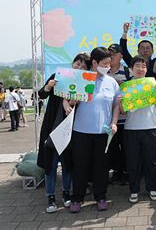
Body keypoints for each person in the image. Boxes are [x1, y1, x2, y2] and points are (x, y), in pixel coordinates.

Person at [67, 47, 121, 213]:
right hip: (81, 131)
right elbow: (69, 102)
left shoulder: (111, 82)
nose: (107, 66)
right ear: (95, 63)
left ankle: (101, 196)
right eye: (104, 63)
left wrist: (114, 122)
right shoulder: (82, 79)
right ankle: (77, 198)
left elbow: (116, 105)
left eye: (109, 63)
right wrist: (72, 101)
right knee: (81, 166)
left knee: (101, 166)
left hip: (103, 132)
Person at [37, 53, 90, 213]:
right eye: (77, 63)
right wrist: (48, 86)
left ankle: (66, 194)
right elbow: (42, 94)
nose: (79, 67)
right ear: (72, 63)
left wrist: (74, 103)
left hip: (70, 129)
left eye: (83, 66)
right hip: (52, 128)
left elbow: (81, 106)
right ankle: (51, 197)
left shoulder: (85, 83)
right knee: (50, 165)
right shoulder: (57, 76)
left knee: (68, 165)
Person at [122, 55, 156, 203]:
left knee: (151, 161)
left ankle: (152, 188)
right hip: (131, 128)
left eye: (143, 66)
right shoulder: (126, 86)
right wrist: (122, 100)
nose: (141, 69)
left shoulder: (152, 83)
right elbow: (122, 111)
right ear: (131, 69)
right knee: (133, 161)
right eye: (137, 66)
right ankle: (134, 190)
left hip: (151, 127)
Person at [106, 43, 130, 185]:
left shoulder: (128, 72)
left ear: (121, 55)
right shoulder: (103, 72)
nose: (111, 56)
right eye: (109, 54)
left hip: (127, 118)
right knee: (113, 147)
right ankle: (116, 171)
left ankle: (126, 171)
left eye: (114, 54)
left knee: (127, 147)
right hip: (109, 119)